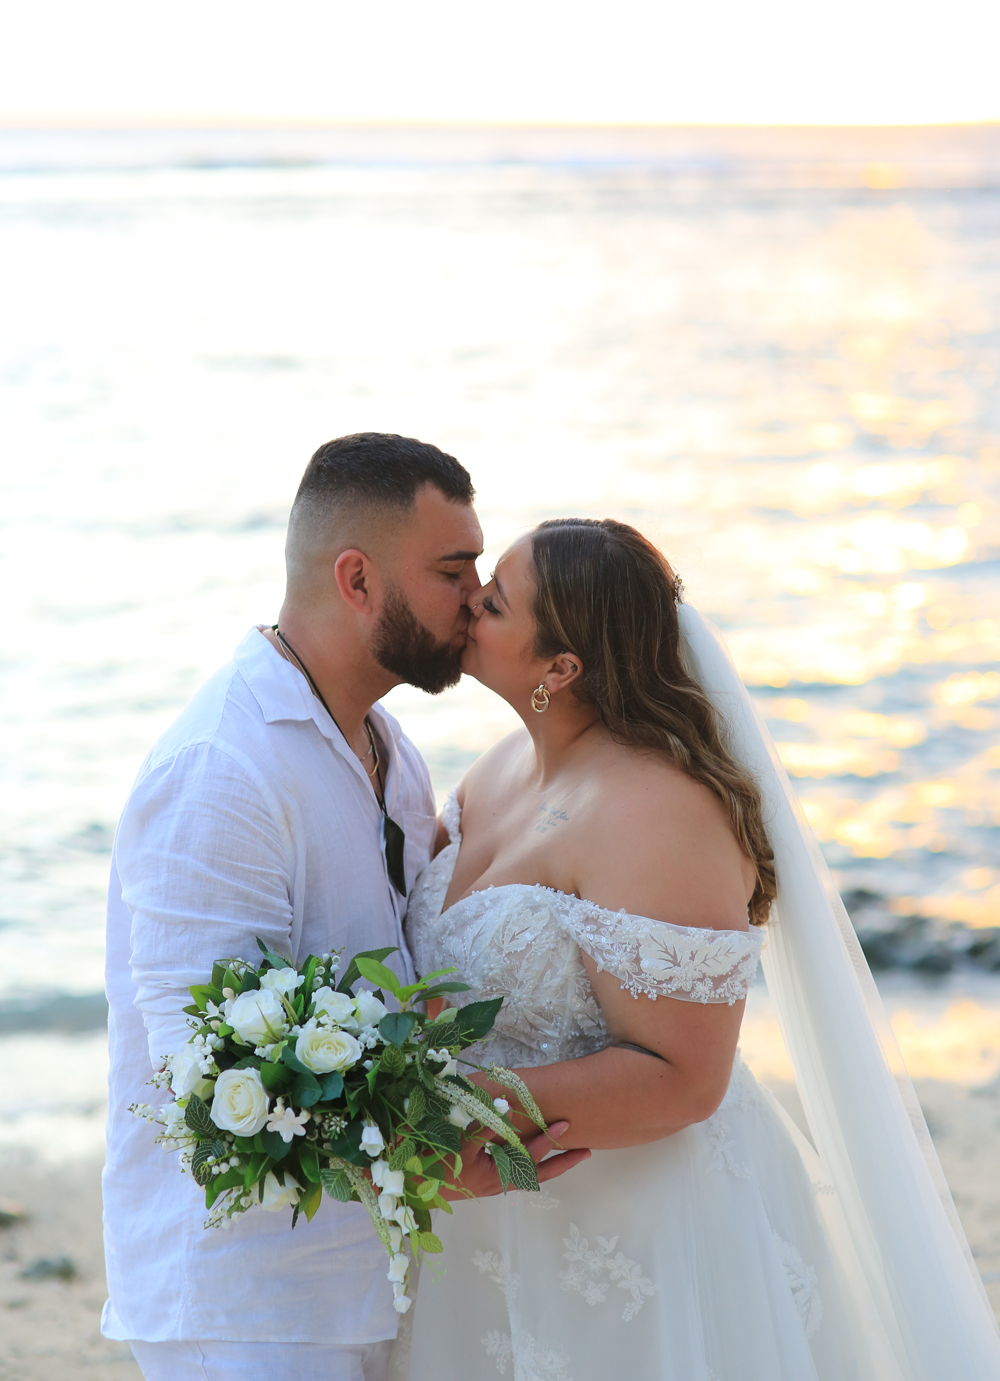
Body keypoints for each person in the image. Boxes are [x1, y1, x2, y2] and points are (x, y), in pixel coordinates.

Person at [402, 517, 1000, 1381]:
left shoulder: (659, 811)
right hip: (485, 1212)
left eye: (493, 603)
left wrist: (465, 1113)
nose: (467, 607)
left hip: (631, 1228)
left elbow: (685, 1075)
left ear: (560, 668)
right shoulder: (497, 768)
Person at [101, 435, 587, 1381]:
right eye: (454, 569)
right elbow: (203, 1074)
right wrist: (433, 1163)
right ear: (357, 579)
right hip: (248, 1298)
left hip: (378, 1277)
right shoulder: (223, 768)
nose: (477, 596)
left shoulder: (391, 748)